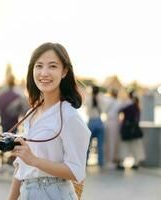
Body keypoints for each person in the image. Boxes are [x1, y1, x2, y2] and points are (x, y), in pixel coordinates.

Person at [8, 43, 91, 200]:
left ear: (64, 71)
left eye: (52, 66)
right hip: (28, 192)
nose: (44, 73)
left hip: (55, 193)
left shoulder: (69, 116)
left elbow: (77, 171)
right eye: (39, 66)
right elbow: (22, 167)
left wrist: (35, 160)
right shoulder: (31, 114)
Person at [117, 91, 145, 170]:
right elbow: (137, 118)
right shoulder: (137, 106)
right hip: (135, 129)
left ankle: (122, 162)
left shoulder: (127, 105)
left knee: (124, 146)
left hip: (126, 128)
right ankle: (136, 162)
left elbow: (120, 111)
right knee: (136, 146)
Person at [85, 85, 105, 167]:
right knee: (100, 145)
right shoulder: (101, 99)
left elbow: (86, 111)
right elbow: (103, 110)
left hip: (91, 122)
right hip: (99, 122)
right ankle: (100, 162)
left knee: (87, 144)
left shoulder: (88, 99)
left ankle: (85, 161)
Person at [104, 89, 122, 168]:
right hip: (115, 123)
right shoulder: (119, 102)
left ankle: (108, 160)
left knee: (108, 142)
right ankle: (112, 160)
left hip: (107, 122)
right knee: (113, 142)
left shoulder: (107, 101)